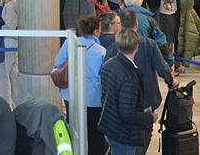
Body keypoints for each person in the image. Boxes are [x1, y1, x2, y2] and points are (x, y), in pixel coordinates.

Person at [105, 10, 176, 152]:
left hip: (121, 102)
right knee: (144, 133)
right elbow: (162, 67)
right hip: (146, 99)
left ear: (121, 25)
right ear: (136, 25)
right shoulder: (149, 45)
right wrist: (171, 81)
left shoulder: (114, 46)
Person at [53, 16, 107, 154]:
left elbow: (58, 61)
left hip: (70, 94)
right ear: (96, 30)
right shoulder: (101, 51)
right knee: (93, 132)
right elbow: (103, 76)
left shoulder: (69, 43)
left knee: (74, 126)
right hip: (92, 98)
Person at [99, 29, 156, 154]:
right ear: (137, 46)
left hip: (109, 125)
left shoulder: (109, 64)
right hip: (123, 133)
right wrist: (149, 117)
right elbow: (127, 114)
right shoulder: (129, 76)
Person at [0, 0, 19, 107]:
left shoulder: (10, 5)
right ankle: (14, 105)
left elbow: (12, 26)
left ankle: (3, 106)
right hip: (10, 45)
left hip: (7, 45)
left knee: (3, 77)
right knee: (13, 77)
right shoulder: (10, 4)